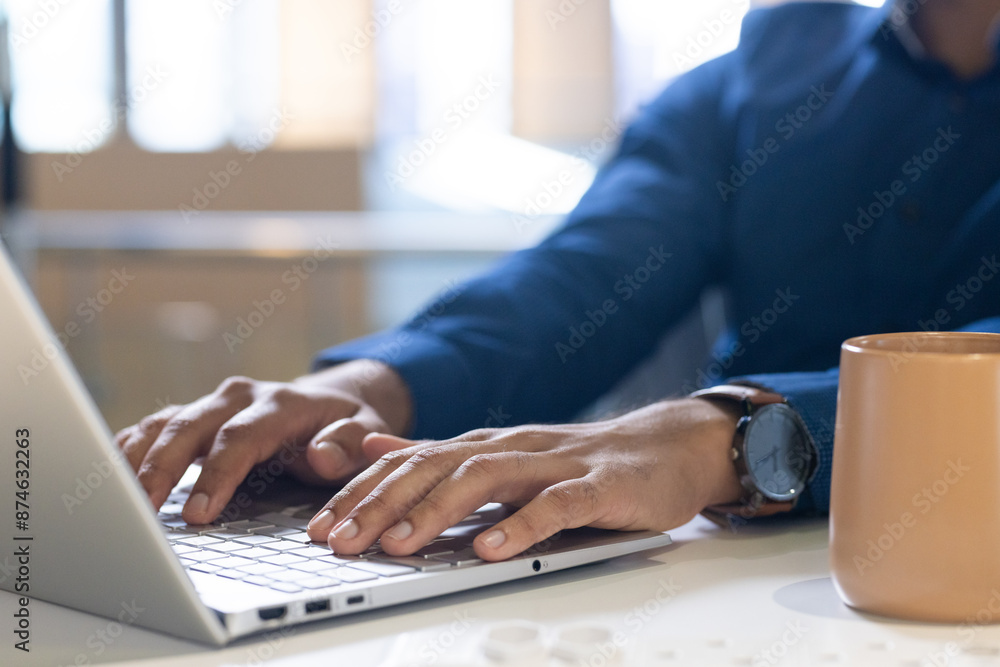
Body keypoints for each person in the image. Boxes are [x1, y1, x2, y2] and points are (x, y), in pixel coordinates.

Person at [117, 0, 1000, 562]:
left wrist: (720, 438)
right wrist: (369, 390)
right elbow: (584, 281)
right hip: (741, 581)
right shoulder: (764, 73)